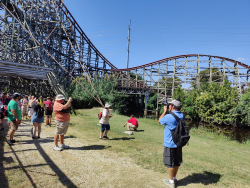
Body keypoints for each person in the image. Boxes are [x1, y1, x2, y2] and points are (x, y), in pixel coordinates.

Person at [158, 100, 183, 188]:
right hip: (179, 143)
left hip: (170, 143)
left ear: (172, 106)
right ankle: (174, 178)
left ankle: (171, 181)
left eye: (169, 105)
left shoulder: (168, 116)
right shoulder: (182, 115)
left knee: (170, 163)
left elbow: (159, 121)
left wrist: (164, 111)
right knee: (176, 162)